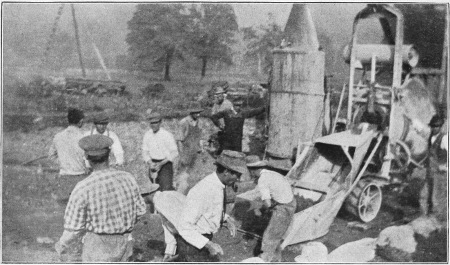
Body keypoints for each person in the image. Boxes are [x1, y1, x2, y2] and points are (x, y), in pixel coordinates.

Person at [54, 135, 146, 262]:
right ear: (109, 155)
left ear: (87, 158)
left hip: (98, 248)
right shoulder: (128, 178)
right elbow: (141, 211)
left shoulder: (83, 188)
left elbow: (73, 229)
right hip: (125, 244)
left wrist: (61, 244)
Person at [158, 150, 246, 262]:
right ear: (227, 171)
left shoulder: (218, 185)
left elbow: (210, 209)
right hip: (192, 244)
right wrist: (208, 245)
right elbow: (184, 226)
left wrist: (225, 219)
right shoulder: (203, 190)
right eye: (237, 175)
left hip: (202, 240)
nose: (238, 179)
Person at [246, 157, 297, 262]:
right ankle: (277, 259)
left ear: (253, 170)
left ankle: (263, 261)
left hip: (283, 207)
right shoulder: (272, 173)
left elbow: (268, 204)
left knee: (269, 237)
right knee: (276, 234)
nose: (251, 174)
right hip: (291, 202)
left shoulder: (262, 180)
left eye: (250, 171)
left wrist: (259, 210)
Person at [48, 108, 88, 205]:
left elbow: (51, 156)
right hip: (80, 178)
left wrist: (63, 162)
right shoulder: (83, 138)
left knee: (65, 210)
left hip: (64, 178)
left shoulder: (58, 136)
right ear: (81, 121)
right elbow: (88, 159)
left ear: (68, 120)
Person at [421, 114, 448, 222]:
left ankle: (438, 220)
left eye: (436, 126)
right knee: (426, 194)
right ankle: (427, 216)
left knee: (437, 196)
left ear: (440, 127)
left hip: (440, 172)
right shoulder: (431, 137)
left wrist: (446, 166)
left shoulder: (445, 139)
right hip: (430, 171)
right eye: (432, 126)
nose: (434, 128)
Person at [142, 112, 179, 191]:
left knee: (166, 188)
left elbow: (174, 152)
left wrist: (161, 164)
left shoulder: (166, 135)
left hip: (165, 164)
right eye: (151, 123)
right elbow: (144, 151)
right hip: (153, 164)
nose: (153, 125)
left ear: (160, 122)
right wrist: (150, 162)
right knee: (155, 188)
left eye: (155, 122)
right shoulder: (147, 135)